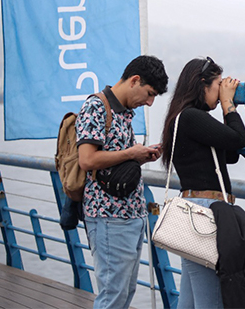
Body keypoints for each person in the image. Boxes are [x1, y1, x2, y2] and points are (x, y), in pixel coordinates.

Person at [76, 55, 169, 309]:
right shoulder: (96, 107)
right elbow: (86, 159)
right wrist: (131, 153)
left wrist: (140, 156)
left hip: (128, 215)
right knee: (113, 295)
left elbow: (112, 162)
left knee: (124, 292)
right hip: (108, 216)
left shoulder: (123, 112)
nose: (149, 103)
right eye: (149, 94)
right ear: (134, 80)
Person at [160, 57, 245, 309]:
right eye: (218, 85)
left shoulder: (183, 118)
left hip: (194, 208)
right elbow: (240, 140)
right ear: (202, 85)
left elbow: (229, 154)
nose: (221, 91)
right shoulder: (190, 117)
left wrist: (223, 108)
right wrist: (228, 105)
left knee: (189, 300)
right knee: (211, 301)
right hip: (204, 212)